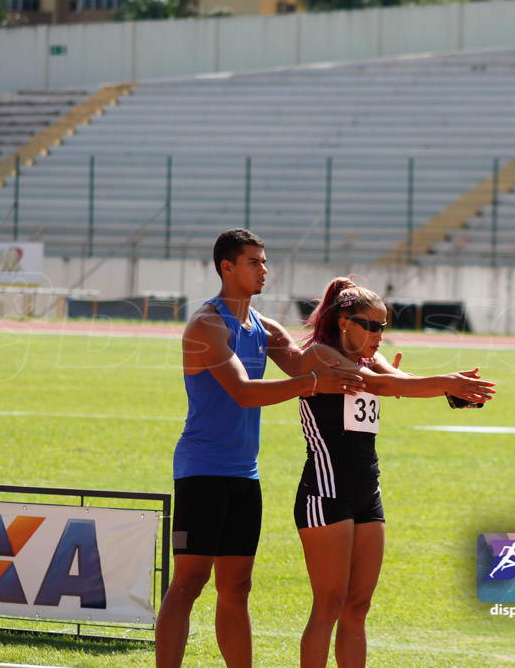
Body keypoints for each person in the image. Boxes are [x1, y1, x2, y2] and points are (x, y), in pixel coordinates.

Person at [155, 229, 365, 668]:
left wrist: (364, 361)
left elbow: (310, 361)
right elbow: (244, 392)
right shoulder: (206, 325)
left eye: (265, 262)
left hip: (243, 476)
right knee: (189, 582)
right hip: (201, 471)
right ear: (226, 267)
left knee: (237, 588)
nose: (264, 270)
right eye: (254, 262)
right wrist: (311, 383)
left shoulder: (264, 327)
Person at [295, 277, 494, 668]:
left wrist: (454, 391)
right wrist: (443, 384)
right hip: (325, 493)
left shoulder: (370, 358)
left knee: (358, 607)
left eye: (382, 326)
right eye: (369, 325)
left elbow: (399, 382)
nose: (378, 335)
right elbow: (380, 387)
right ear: (343, 322)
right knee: (328, 605)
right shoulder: (319, 354)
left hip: (368, 495)